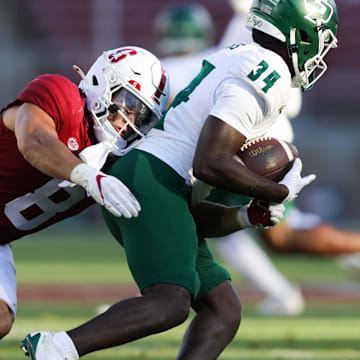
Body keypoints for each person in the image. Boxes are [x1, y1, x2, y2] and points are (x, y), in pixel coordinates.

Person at [22, 1, 338, 359]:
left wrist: (249, 214)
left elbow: (192, 213)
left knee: (223, 307)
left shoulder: (244, 53)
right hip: (153, 180)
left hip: (156, 182)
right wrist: (278, 191)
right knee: (169, 303)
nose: (321, 50)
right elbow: (209, 164)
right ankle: (57, 348)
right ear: (299, 35)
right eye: (321, 38)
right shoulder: (271, 72)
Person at [0, 45, 171, 339]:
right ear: (104, 81)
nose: (128, 120)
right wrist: (86, 175)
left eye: (140, 115)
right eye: (127, 103)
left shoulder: (117, 162)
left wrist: (242, 212)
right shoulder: (60, 95)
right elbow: (35, 142)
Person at [155, 0, 306, 316]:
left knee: (272, 231)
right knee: (271, 233)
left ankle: (163, 293)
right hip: (251, 148)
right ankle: (280, 292)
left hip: (238, 153)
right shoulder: (234, 49)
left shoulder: (184, 64)